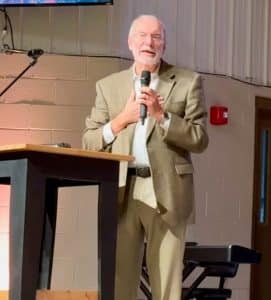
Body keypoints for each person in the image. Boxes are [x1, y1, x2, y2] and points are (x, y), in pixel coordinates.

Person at [83, 14, 208, 300]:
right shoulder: (108, 86)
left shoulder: (188, 82)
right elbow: (89, 141)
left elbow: (200, 139)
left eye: (156, 37)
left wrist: (162, 118)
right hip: (121, 191)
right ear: (130, 42)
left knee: (166, 284)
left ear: (164, 44)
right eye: (141, 35)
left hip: (167, 191)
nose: (148, 42)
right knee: (119, 280)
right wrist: (121, 121)